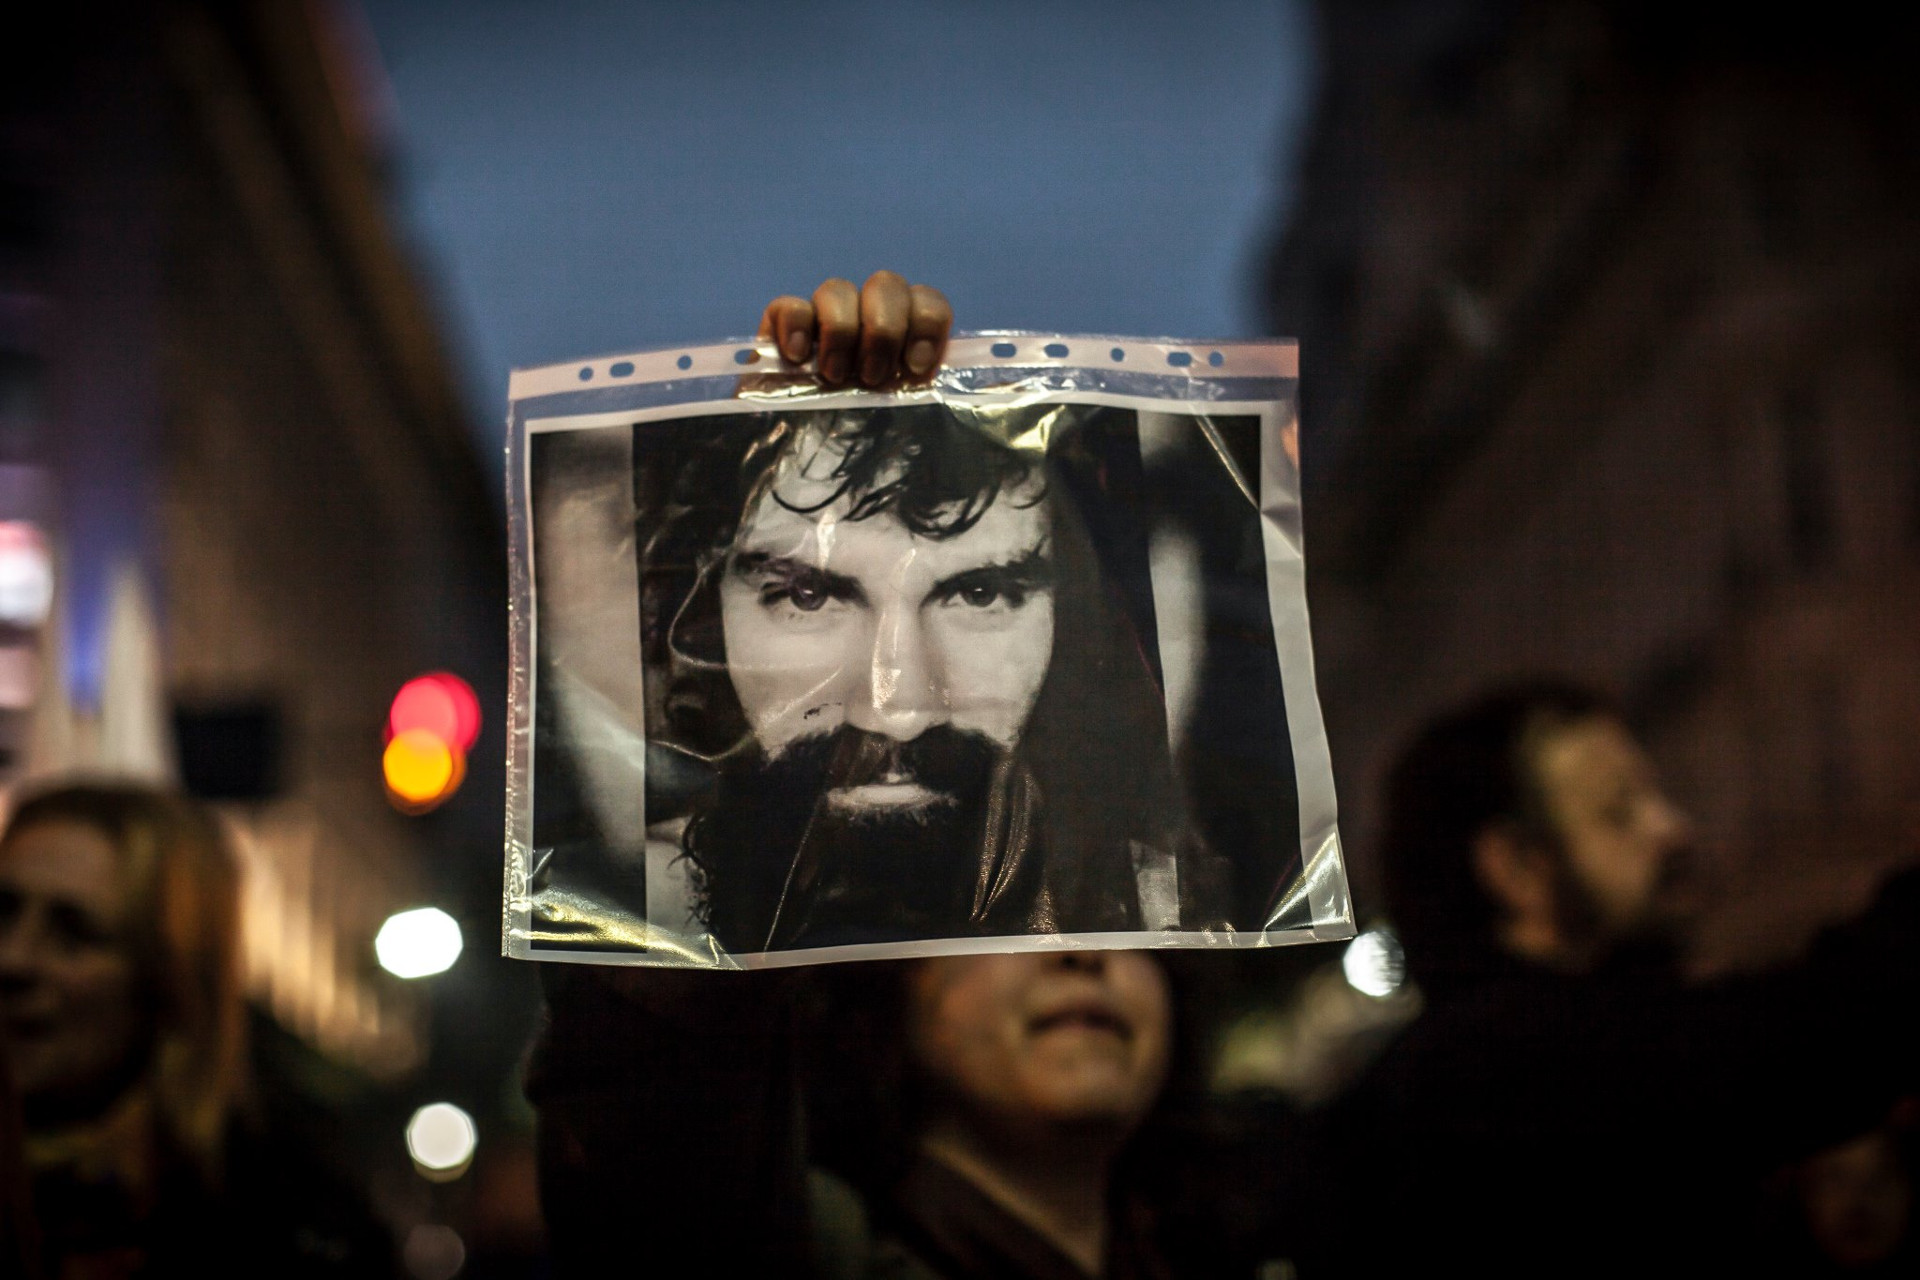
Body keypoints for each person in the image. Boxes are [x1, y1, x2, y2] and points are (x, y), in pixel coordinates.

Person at [622, 273, 1223, 953]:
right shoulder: (631, 934)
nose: (895, 712)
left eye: (979, 594)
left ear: (1071, 612)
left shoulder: (1161, 937)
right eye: (809, 596)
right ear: (705, 618)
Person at [1299, 682, 1920, 1277]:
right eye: (1619, 810)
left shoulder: (1510, 1056)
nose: (1673, 828)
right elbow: (1824, 1031)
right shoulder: (1510, 1074)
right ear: (1517, 867)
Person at [0, 783, 391, 1276]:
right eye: (2, 912)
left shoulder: (281, 1231)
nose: (12, 960)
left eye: (75, 933)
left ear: (171, 981)